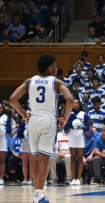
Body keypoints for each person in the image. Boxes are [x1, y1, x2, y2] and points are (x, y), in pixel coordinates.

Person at [10, 54, 74, 203]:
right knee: (44, 159)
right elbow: (70, 99)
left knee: (36, 159)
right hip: (48, 120)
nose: (56, 68)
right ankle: (39, 194)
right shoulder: (56, 82)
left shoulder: (29, 81)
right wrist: (65, 118)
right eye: (55, 65)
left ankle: (37, 195)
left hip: (32, 121)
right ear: (49, 67)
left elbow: (13, 99)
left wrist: (23, 115)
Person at [65, 99, 90, 185]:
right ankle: (73, 178)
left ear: (79, 104)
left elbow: (88, 127)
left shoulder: (84, 114)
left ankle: (78, 178)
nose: (75, 104)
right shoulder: (69, 114)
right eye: (74, 103)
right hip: (72, 136)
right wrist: (71, 124)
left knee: (79, 158)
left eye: (77, 103)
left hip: (80, 137)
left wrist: (82, 128)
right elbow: (66, 128)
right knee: (72, 157)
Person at [19, 110, 32, 185]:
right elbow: (19, 134)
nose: (28, 115)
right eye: (26, 114)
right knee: (25, 162)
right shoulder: (22, 124)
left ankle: (30, 179)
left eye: (29, 114)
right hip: (24, 144)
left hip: (31, 144)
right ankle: (25, 178)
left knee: (31, 163)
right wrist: (22, 127)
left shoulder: (34, 124)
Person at [0, 102, 11, 185]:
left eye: (0, 108)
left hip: (2, 140)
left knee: (2, 160)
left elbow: (9, 130)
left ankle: (1, 178)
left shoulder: (6, 118)